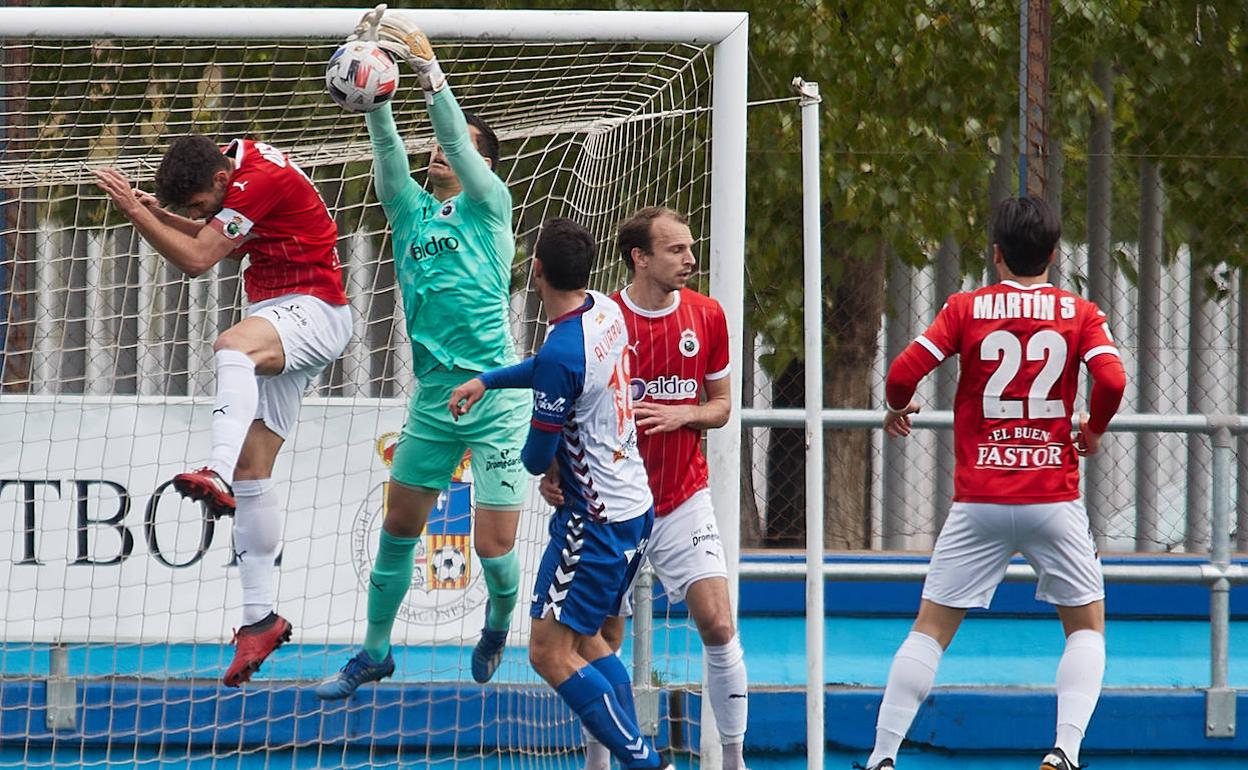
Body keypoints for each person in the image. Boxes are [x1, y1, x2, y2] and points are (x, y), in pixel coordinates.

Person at [859, 196, 1126, 770]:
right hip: (1052, 497)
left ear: (996, 254)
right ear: (1054, 255)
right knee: (1086, 627)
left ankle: (883, 756)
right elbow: (1112, 378)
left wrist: (896, 407)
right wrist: (1094, 429)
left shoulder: (966, 307)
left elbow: (903, 372)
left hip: (978, 499)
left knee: (929, 630)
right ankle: (1065, 751)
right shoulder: (1079, 312)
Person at [315, 5, 530, 698]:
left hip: (496, 398)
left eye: (458, 145)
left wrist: (429, 72)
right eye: (439, 143)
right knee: (399, 526)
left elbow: (460, 144)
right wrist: (376, 90)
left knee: (494, 551)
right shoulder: (410, 211)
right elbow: (385, 153)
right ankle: (374, 651)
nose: (441, 150)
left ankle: (497, 622)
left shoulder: (490, 206)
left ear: (482, 163)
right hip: (435, 402)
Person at [92, 135, 352, 687]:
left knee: (232, 346)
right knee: (253, 472)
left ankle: (212, 467)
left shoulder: (258, 178)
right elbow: (218, 237)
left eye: (195, 205)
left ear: (217, 182)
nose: (194, 216)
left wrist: (139, 213)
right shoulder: (239, 172)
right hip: (285, 312)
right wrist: (164, 213)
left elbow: (198, 259)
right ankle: (260, 619)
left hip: (313, 308)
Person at [448, 217, 672, 770]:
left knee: (548, 653)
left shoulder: (562, 351)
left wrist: (545, 468)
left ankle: (646, 763)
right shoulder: (605, 310)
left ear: (536, 269)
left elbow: (532, 456)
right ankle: (642, 759)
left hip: (592, 521)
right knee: (589, 640)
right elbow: (556, 373)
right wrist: (490, 379)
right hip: (632, 505)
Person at [539, 207, 748, 770]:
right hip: (613, 510)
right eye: (676, 250)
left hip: (680, 498)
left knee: (719, 622)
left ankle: (732, 758)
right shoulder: (602, 317)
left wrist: (685, 415)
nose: (690, 259)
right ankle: (603, 761)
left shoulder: (707, 316)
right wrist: (553, 471)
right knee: (596, 636)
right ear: (640, 257)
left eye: (690, 248)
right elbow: (566, 399)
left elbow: (723, 407)